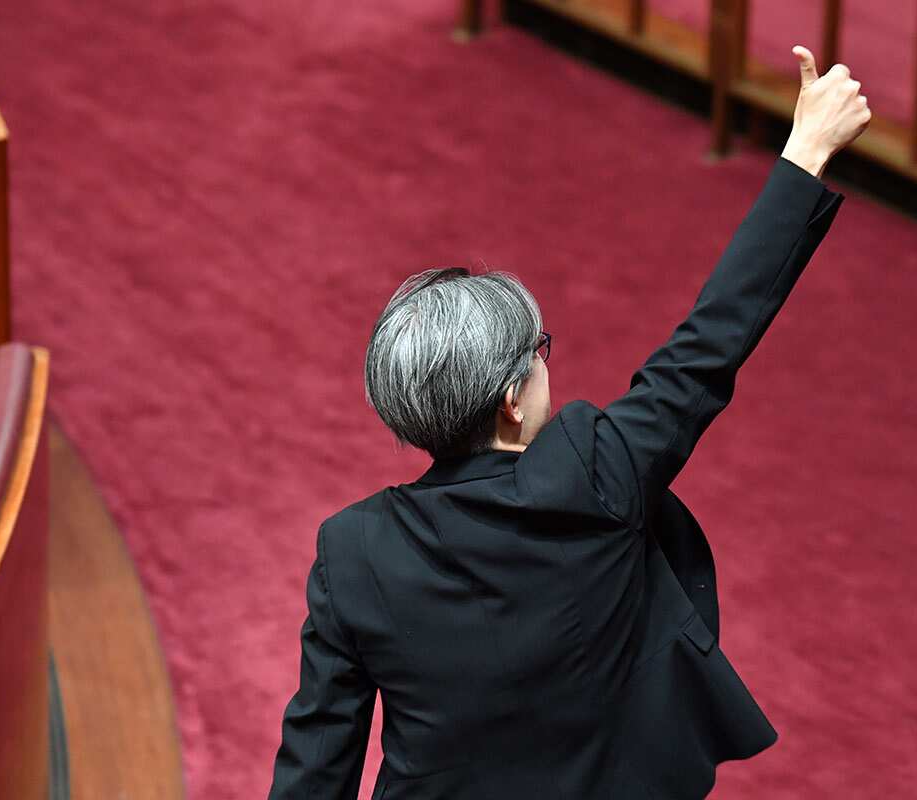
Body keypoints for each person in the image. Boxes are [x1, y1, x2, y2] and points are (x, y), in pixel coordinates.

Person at [269, 44, 870, 800]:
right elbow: (709, 344)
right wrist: (808, 147)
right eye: (538, 353)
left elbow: (316, 766)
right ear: (512, 401)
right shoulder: (598, 476)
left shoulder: (352, 552)